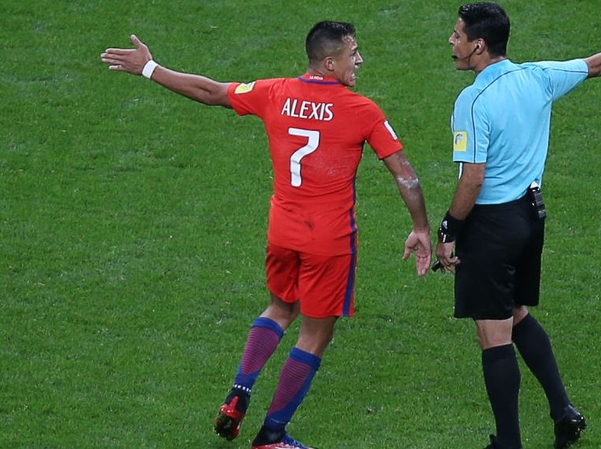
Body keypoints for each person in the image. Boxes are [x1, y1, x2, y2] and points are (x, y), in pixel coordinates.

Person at [101, 21, 431, 449]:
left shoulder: (274, 91)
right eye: (354, 53)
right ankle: (271, 436)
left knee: (280, 307)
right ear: (330, 63)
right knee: (315, 335)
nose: (360, 60)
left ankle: (240, 390)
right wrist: (421, 227)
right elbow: (405, 176)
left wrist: (150, 68)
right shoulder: (362, 110)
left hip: (283, 231)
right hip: (329, 240)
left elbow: (211, 92)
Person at [433, 3, 601, 449]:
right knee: (515, 315)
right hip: (529, 218)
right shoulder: (537, 76)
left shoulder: (472, 100)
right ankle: (564, 413)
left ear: (478, 45)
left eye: (457, 36)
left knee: (492, 335)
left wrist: (448, 230)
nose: (451, 43)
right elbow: (597, 64)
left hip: (492, 226)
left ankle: (509, 443)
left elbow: (472, 177)